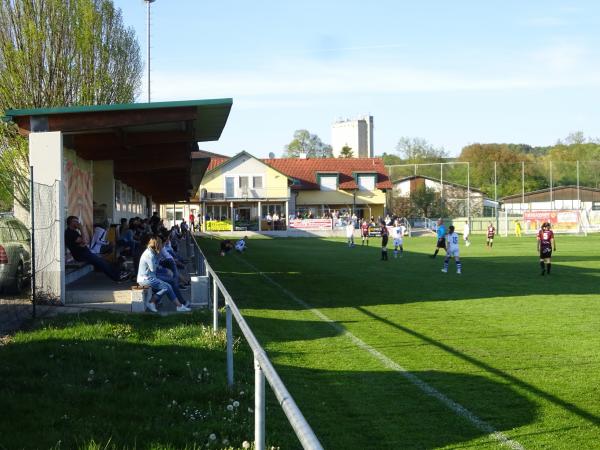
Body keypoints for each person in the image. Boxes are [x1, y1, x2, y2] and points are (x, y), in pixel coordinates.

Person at [65, 216, 129, 281]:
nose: (78, 223)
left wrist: (83, 234)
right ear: (71, 223)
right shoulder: (69, 233)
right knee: (101, 263)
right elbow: (84, 241)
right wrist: (81, 229)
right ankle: (117, 276)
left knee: (102, 262)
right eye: (75, 221)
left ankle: (117, 273)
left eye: (78, 221)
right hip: (80, 254)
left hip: (85, 252)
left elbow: (86, 241)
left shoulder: (75, 232)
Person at [137, 235, 190, 313]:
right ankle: (152, 302)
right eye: (161, 244)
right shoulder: (150, 255)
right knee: (166, 287)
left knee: (169, 284)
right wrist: (159, 257)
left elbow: (155, 269)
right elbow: (153, 269)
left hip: (151, 277)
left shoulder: (151, 252)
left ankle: (179, 305)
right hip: (145, 279)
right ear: (157, 245)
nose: (162, 246)